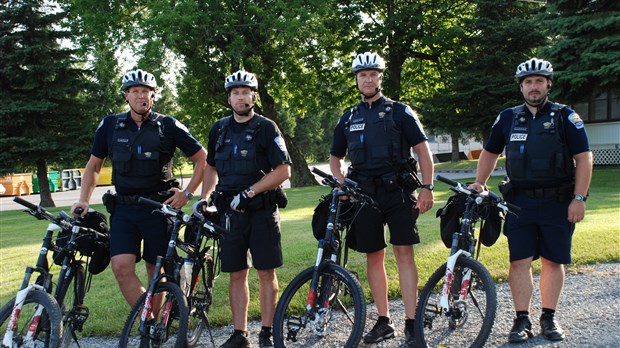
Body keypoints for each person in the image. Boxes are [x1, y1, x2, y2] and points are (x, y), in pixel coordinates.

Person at [468, 58, 593, 343]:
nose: (533, 87)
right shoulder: (508, 117)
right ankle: (521, 318)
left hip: (557, 202)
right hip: (519, 203)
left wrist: (579, 197)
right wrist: (480, 182)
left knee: (552, 261)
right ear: (521, 86)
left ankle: (549, 316)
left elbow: (584, 158)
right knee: (519, 262)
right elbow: (489, 152)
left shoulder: (565, 116)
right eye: (527, 82)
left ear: (548, 84)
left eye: (538, 81)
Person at [72, 68, 207, 308]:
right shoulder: (110, 125)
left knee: (156, 270)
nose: (140, 96)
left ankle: (152, 330)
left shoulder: (168, 125)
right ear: (126, 96)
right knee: (121, 267)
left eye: (145, 91)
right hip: (124, 208)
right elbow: (93, 166)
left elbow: (202, 159)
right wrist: (83, 200)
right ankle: (148, 319)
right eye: (134, 91)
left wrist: (187, 194)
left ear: (153, 96)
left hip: (159, 208)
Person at [329, 52, 435, 346]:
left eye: (373, 74)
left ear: (380, 77)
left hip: (399, 193)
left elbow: (423, 152)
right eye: (363, 74)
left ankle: (412, 322)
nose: (368, 79)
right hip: (363, 196)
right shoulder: (348, 117)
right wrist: (342, 184)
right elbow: (335, 159)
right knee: (373, 257)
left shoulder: (400, 111)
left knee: (403, 254)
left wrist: (427, 187)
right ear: (356, 79)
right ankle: (384, 321)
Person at [197, 70, 291, 348]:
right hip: (230, 214)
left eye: (245, 91)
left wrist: (250, 191)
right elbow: (211, 167)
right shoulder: (219, 129)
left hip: (261, 211)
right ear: (229, 98)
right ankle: (240, 334)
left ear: (253, 96)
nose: (241, 96)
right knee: (236, 273)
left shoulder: (266, 127)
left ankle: (267, 330)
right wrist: (205, 196)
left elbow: (284, 170)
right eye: (235, 92)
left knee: (265, 272)